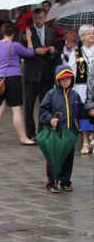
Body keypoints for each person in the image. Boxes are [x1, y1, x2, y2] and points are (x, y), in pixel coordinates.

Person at [0, 22, 36, 146]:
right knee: (17, 109)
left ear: (3, 32)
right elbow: (31, 53)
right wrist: (29, 39)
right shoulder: (15, 45)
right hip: (13, 78)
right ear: (14, 33)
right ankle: (23, 138)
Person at [39, 65, 85, 193]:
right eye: (62, 79)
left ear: (72, 79)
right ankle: (52, 182)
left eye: (68, 79)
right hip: (56, 134)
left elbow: (81, 111)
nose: (65, 81)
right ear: (57, 80)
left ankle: (65, 181)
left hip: (70, 133)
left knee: (68, 159)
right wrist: (49, 119)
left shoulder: (75, 95)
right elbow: (43, 110)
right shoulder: (51, 94)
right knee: (53, 158)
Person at [20, 8, 60, 140]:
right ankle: (30, 133)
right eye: (35, 18)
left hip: (46, 74)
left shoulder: (51, 33)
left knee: (45, 104)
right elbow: (20, 51)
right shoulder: (26, 32)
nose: (38, 21)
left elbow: (57, 53)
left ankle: (42, 131)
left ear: (45, 18)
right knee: (29, 105)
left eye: (41, 18)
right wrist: (33, 51)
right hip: (31, 74)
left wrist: (53, 51)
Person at [67, 24, 94, 154]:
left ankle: (93, 136)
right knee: (83, 114)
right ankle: (85, 141)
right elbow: (71, 71)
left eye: (93, 33)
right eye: (89, 33)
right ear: (82, 37)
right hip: (82, 87)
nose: (92, 36)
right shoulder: (76, 53)